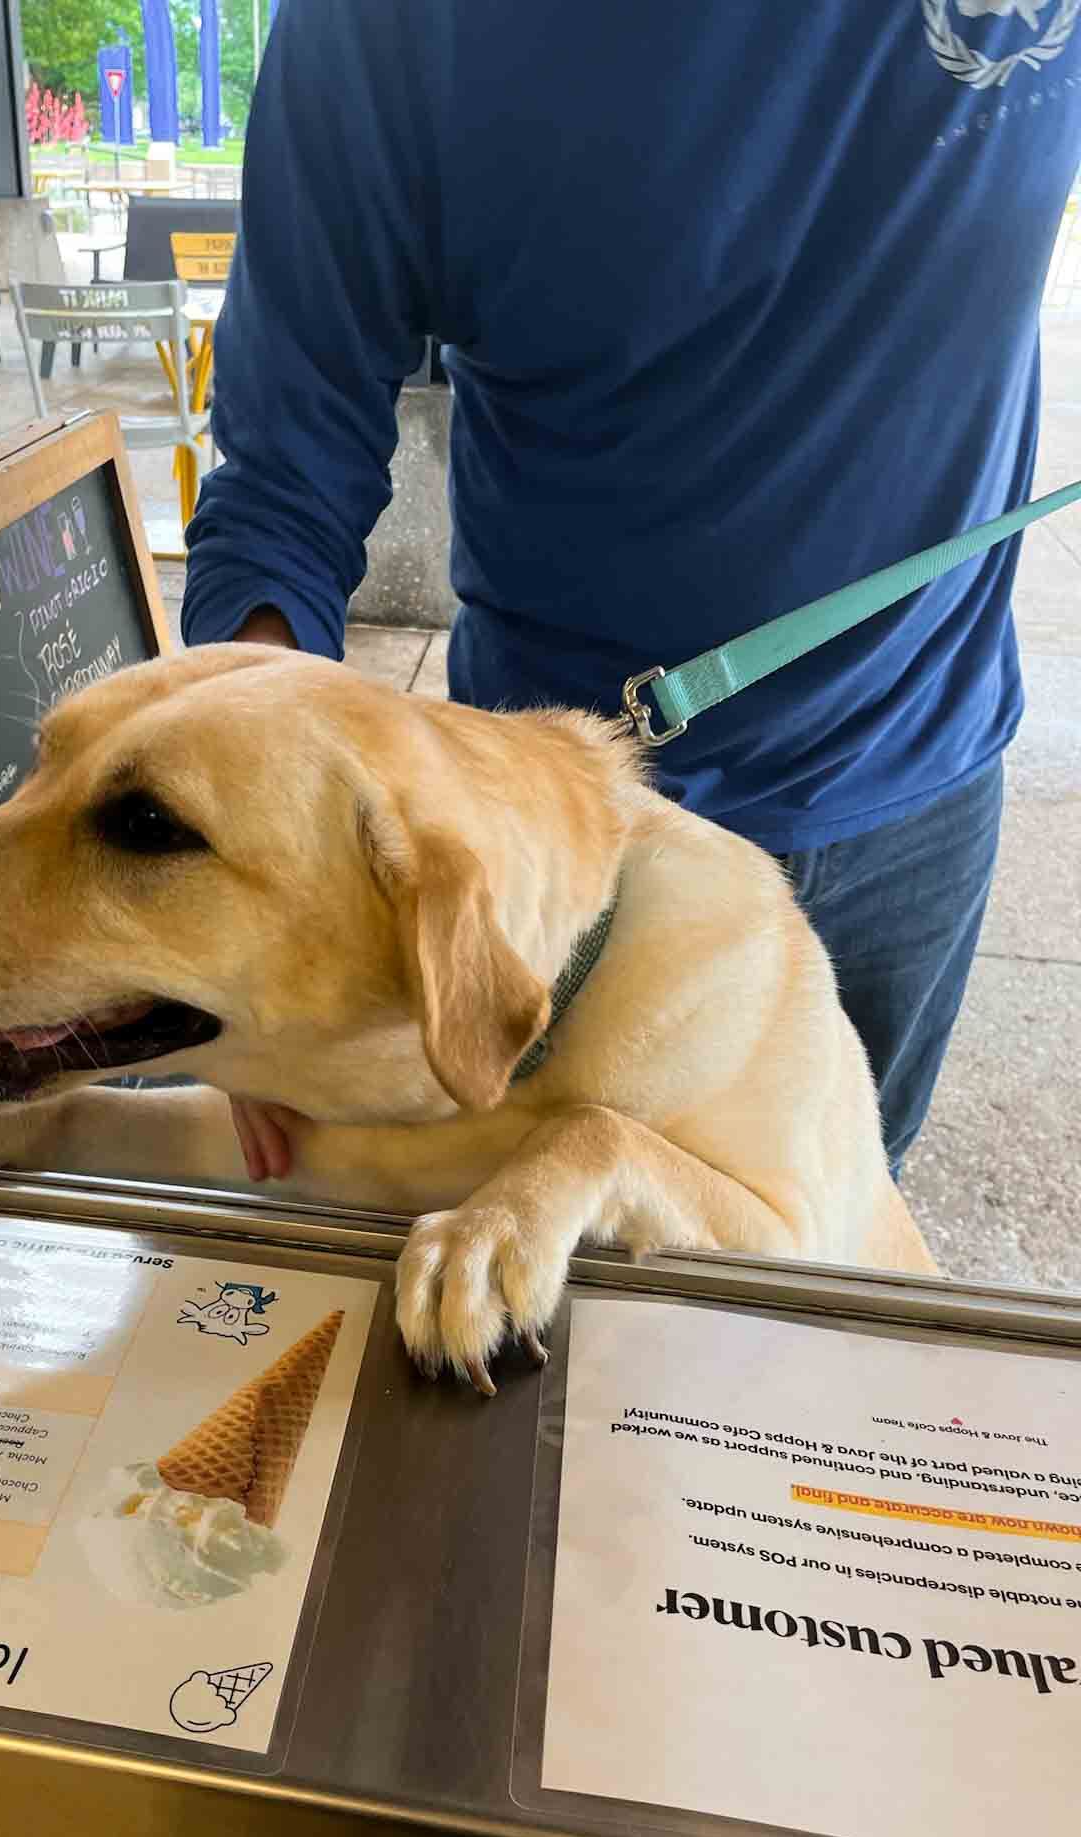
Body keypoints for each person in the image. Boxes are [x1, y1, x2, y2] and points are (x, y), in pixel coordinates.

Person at [181, 0, 1081, 1188]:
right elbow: (285, 474)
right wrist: (240, 887)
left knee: (828, 1254)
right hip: (567, 840)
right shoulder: (390, 25)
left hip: (921, 782)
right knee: (526, 1292)